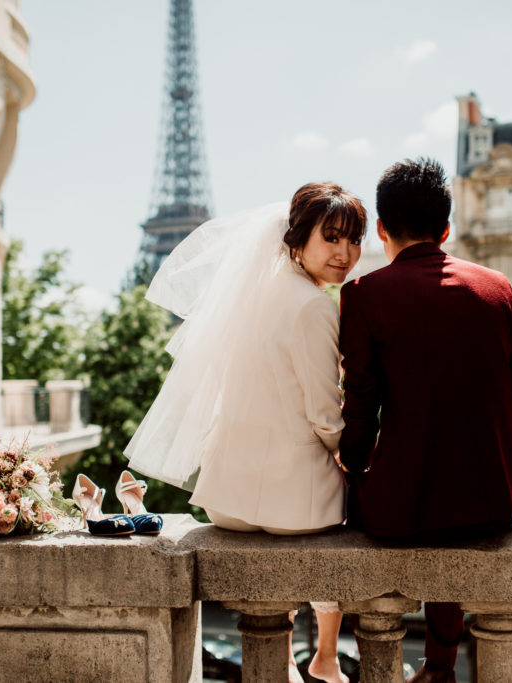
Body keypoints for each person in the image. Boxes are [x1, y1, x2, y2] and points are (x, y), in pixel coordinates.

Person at [125, 182, 366, 683]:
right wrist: (351, 455)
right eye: (332, 238)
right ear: (297, 237)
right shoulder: (316, 305)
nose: (345, 253)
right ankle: (325, 656)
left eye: (353, 240)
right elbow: (325, 417)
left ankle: (286, 658)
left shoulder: (250, 295)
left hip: (227, 500)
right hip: (292, 502)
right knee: (352, 497)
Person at [338, 158, 512, 683]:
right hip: (493, 501)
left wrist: (354, 468)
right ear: (446, 228)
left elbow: (361, 404)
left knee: (389, 492)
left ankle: (422, 663)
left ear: (382, 229)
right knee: (447, 499)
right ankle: (440, 662)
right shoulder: (497, 287)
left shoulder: (363, 294)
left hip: (405, 507)